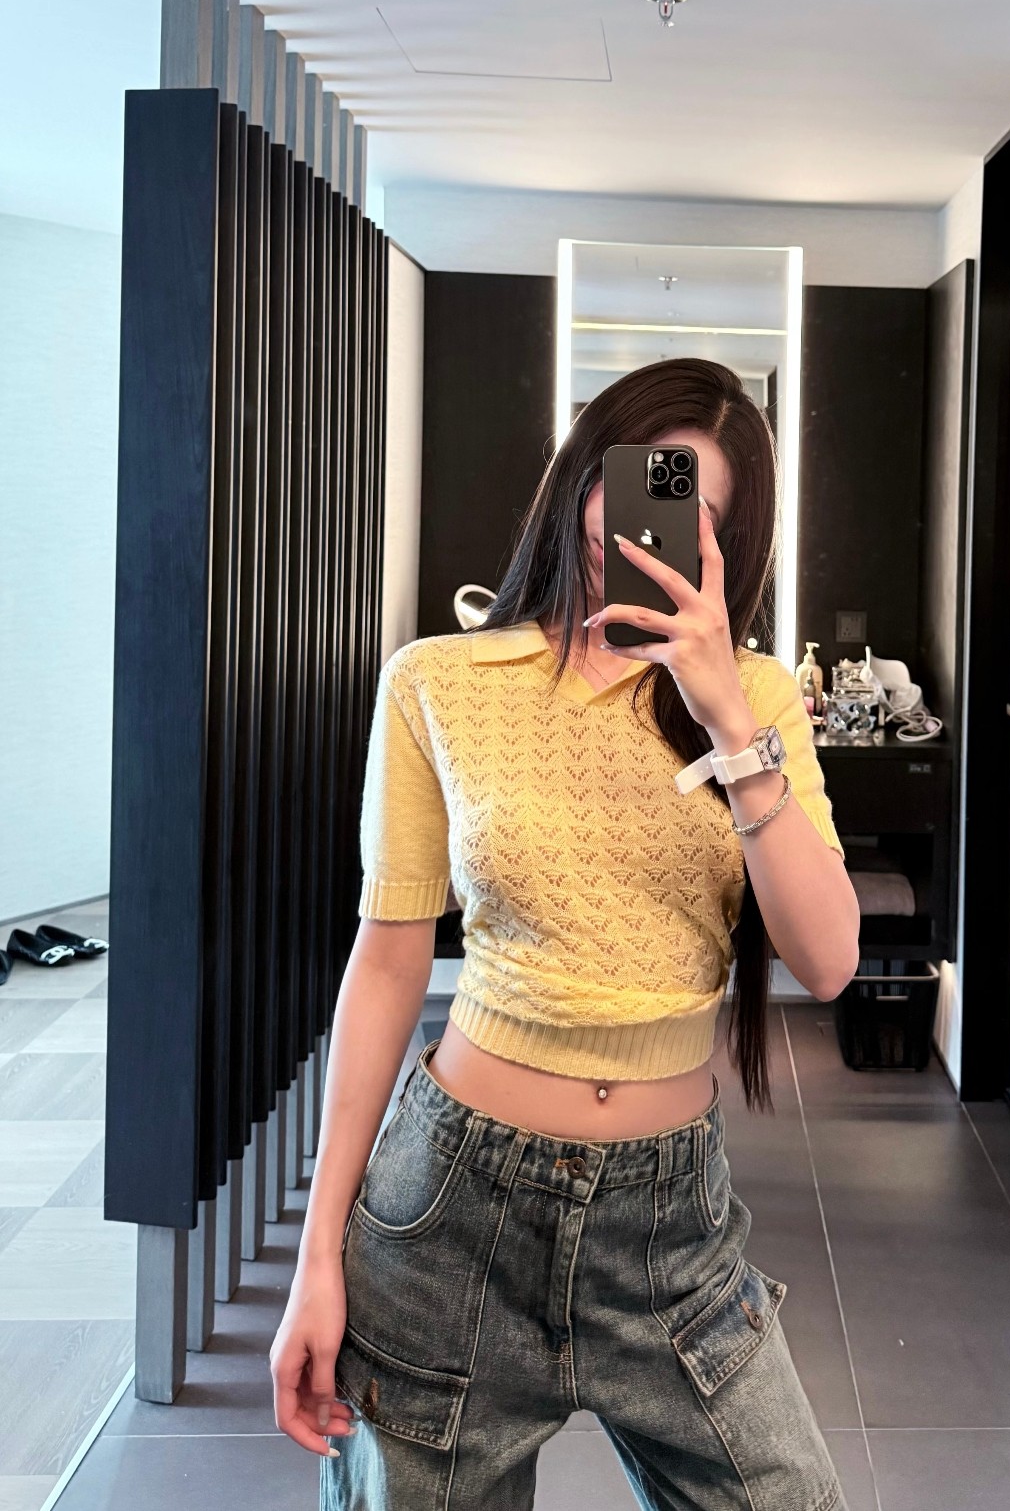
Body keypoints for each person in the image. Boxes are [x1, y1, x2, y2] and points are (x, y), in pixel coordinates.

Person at [271, 358, 861, 1509]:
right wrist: (316, 1252)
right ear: (581, 469)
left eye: (685, 505)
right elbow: (387, 961)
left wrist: (725, 718)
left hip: (669, 1225)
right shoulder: (438, 682)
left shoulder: (755, 698)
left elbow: (830, 958)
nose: (630, 522)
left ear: (725, 542)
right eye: (627, 476)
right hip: (450, 1208)